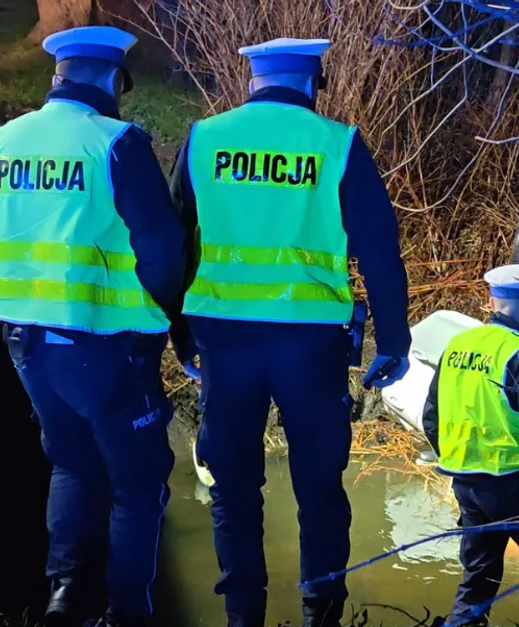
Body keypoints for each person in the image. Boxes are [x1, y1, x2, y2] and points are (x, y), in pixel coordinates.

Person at [169, 37, 411, 627]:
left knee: (232, 483)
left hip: (224, 342)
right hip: (310, 345)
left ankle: (244, 613)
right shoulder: (337, 144)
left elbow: (174, 246)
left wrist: (179, 337)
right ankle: (320, 610)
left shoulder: (206, 139)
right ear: (314, 82)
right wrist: (394, 343)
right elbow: (379, 253)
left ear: (251, 80)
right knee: (319, 485)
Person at [0, 26, 191, 627]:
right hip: (106, 344)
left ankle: (63, 595)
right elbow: (163, 249)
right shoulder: (115, 141)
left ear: (56, 76)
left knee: (70, 462)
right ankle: (126, 611)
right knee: (137, 482)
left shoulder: (3, 142)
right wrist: (159, 318)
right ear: (115, 80)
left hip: (26, 345)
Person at [422, 264, 519, 627]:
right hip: (512, 484)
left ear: (492, 299)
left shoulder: (457, 346)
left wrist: (455, 457)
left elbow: (431, 416)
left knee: (479, 575)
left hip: (466, 484)